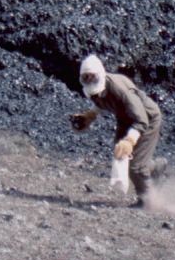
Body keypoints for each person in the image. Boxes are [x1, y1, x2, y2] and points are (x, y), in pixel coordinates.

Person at [71, 53, 168, 208]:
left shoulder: (120, 90)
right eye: (85, 78)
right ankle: (156, 167)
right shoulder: (96, 88)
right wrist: (90, 116)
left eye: (92, 77)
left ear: (100, 75)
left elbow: (141, 119)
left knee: (135, 166)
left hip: (147, 119)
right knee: (122, 157)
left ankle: (148, 201)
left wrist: (130, 140)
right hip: (125, 118)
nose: (90, 81)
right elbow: (102, 99)